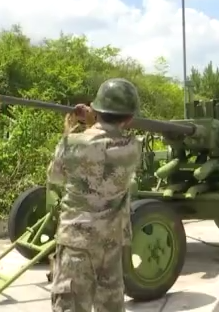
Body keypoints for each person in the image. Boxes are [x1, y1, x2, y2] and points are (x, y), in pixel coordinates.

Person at [47, 78, 142, 312]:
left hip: (77, 244)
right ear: (129, 118)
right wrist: (95, 122)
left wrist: (69, 132)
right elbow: (105, 145)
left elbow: (55, 176)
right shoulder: (133, 148)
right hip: (111, 243)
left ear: (97, 109)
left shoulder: (73, 143)